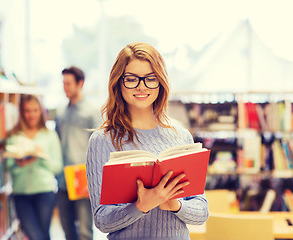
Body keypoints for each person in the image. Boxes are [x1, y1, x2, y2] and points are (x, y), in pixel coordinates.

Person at [86, 42, 209, 239]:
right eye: (131, 79)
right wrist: (141, 206)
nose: (142, 86)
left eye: (150, 78)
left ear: (160, 82)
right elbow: (102, 220)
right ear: (118, 82)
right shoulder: (102, 140)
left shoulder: (181, 135)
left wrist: (174, 205)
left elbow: (202, 212)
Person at [5, 94, 63, 240]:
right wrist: (20, 164)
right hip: (21, 194)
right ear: (22, 112)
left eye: (35, 110)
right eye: (27, 110)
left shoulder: (49, 135)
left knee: (43, 234)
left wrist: (40, 157)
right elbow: (8, 166)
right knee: (35, 235)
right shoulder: (14, 135)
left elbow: (57, 166)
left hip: (45, 192)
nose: (31, 115)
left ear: (41, 111)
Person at [55, 66, 100, 240]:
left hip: (83, 181)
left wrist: (94, 181)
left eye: (68, 83)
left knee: (84, 232)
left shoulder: (92, 112)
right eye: (63, 83)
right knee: (67, 230)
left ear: (80, 83)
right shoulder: (60, 112)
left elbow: (99, 148)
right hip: (62, 180)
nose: (65, 87)